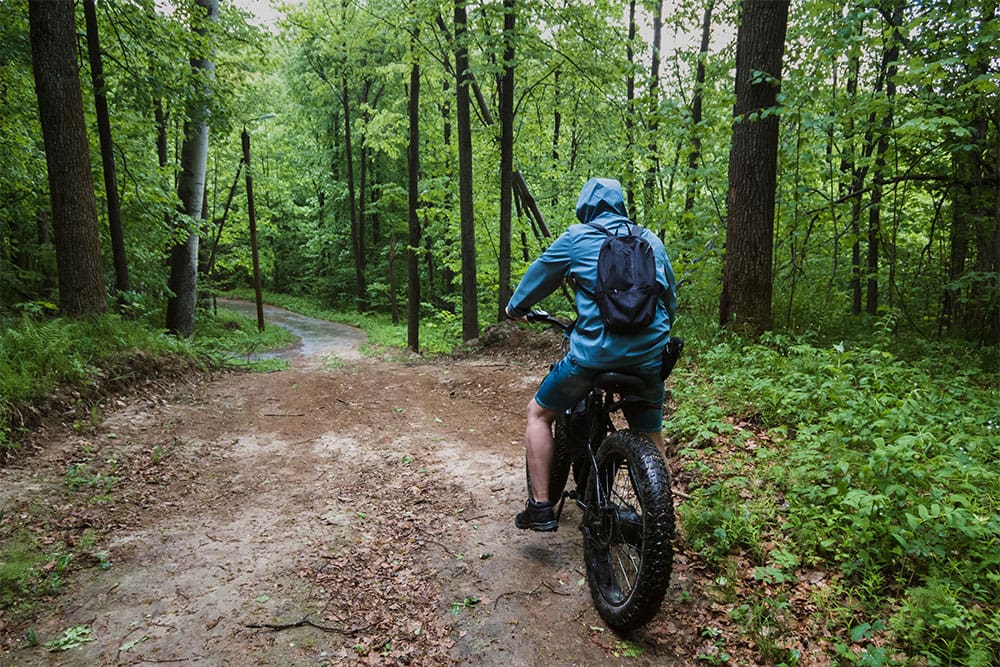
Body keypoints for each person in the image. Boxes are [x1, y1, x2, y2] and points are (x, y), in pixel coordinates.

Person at [505, 177, 677, 531]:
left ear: (586, 208)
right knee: (651, 433)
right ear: (621, 205)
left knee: (538, 414)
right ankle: (659, 522)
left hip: (592, 359)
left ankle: (540, 508)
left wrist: (515, 308)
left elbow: (537, 278)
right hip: (648, 360)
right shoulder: (651, 241)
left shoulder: (576, 238)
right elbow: (669, 300)